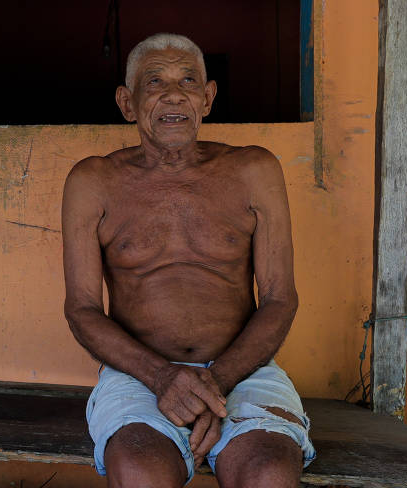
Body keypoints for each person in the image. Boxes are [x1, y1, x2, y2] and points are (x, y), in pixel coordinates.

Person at [62, 33, 315, 488]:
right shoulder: (93, 181)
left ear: (208, 97)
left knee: (270, 474)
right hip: (139, 374)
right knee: (140, 472)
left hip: (243, 370)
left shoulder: (255, 170)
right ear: (127, 102)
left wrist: (213, 385)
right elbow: (81, 310)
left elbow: (280, 298)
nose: (174, 93)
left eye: (189, 80)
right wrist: (162, 378)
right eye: (154, 81)